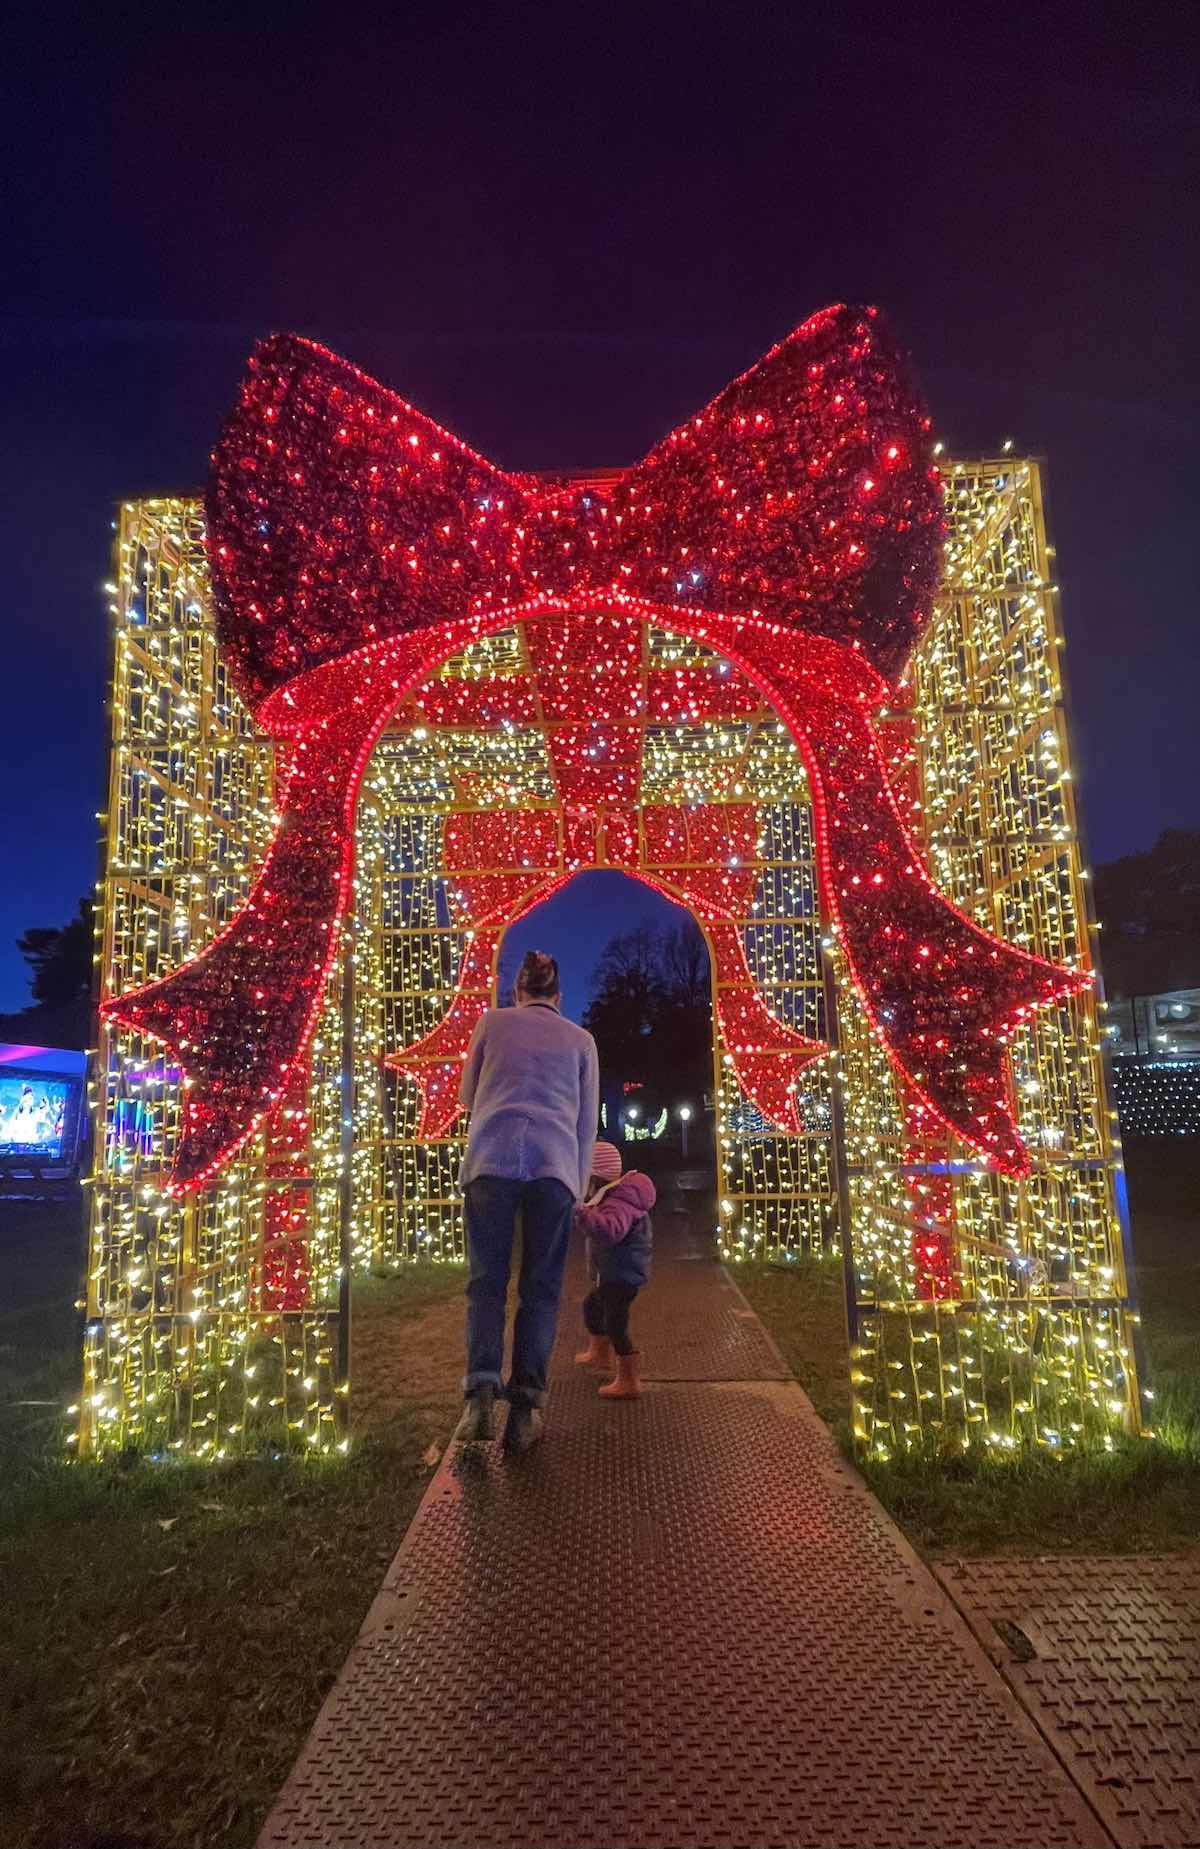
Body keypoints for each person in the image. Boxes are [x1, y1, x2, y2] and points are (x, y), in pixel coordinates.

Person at [456, 949, 600, 1453]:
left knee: (487, 1282)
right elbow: (586, 1125)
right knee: (540, 1290)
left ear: (517, 991)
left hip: (491, 1162)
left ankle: (479, 1397)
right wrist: (578, 1189)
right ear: (558, 997)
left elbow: (468, 1097)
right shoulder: (581, 1041)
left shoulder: (490, 1024)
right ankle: (526, 1410)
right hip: (554, 1168)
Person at [574, 1140, 655, 1399]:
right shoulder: (611, 1197)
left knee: (615, 1324)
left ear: (596, 1177)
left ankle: (629, 1379)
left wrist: (583, 1215)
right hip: (612, 1273)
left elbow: (610, 1231)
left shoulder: (618, 1202)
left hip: (622, 1276)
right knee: (592, 1306)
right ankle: (600, 1352)